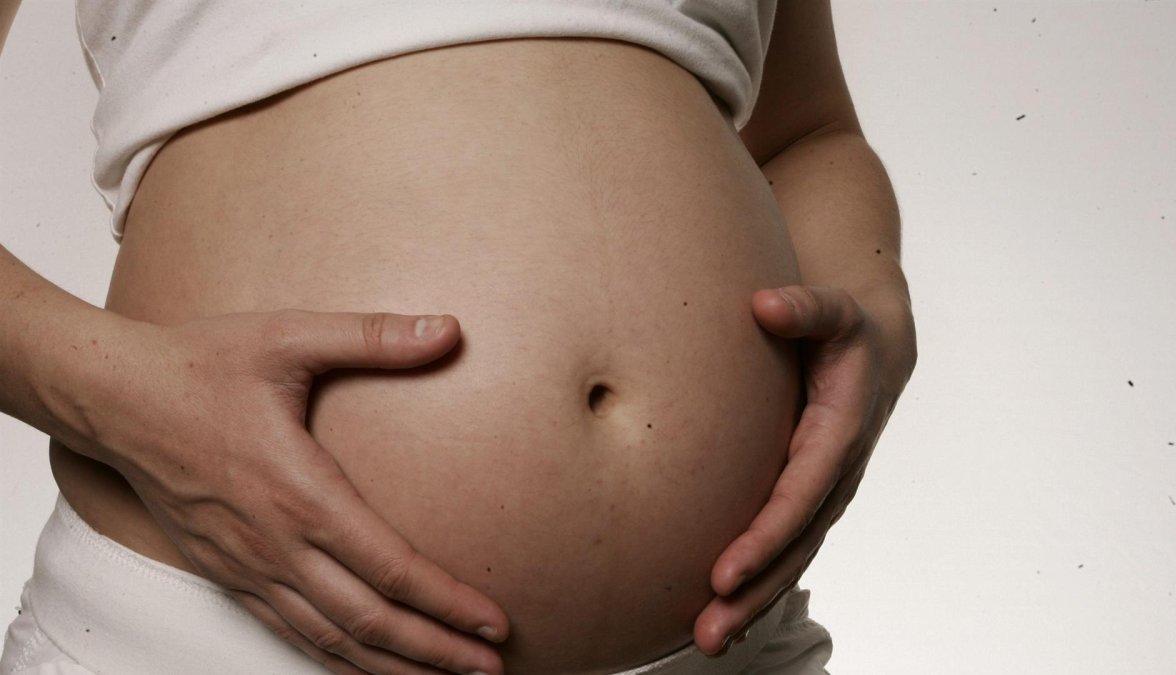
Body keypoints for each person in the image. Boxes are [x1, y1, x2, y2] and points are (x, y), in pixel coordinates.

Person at [0, 1, 916, 673]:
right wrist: (126, 402)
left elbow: (807, 133)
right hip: (220, 633)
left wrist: (874, 300)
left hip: (721, 647)